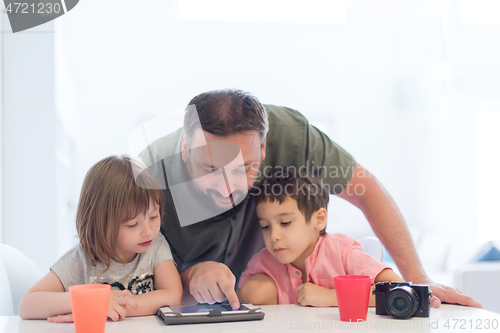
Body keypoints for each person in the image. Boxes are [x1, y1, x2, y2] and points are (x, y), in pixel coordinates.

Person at [139, 88, 481, 310]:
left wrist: (419, 280)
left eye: (247, 167)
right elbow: (131, 274)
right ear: (186, 149)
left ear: (265, 146)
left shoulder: (293, 136)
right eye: (210, 168)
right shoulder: (147, 175)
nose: (229, 187)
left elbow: (367, 191)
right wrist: (190, 274)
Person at [18, 155, 183, 322]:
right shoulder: (83, 257)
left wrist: (109, 308)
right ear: (101, 224)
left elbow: (173, 296)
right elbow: (27, 305)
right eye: (133, 224)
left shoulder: (156, 245)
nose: (148, 231)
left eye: (154, 217)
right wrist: (89, 302)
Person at [238, 169, 403, 306]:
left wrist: (331, 297)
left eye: (285, 222)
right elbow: (239, 302)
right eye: (265, 226)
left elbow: (398, 289)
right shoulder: (263, 263)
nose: (273, 236)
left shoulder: (342, 252)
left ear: (319, 220)